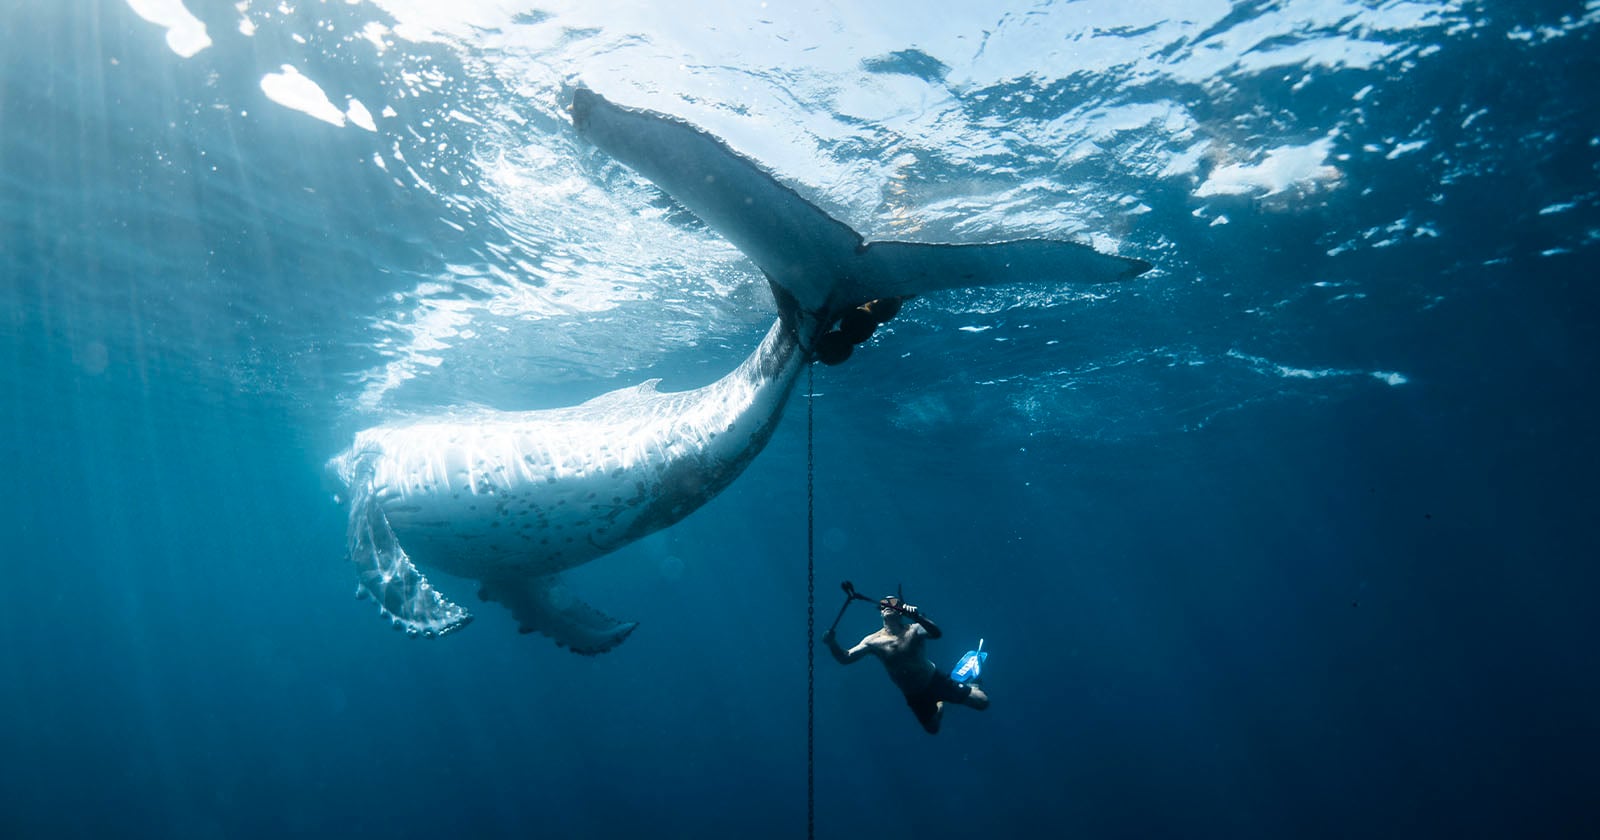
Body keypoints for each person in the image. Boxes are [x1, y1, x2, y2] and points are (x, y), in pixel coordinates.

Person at [823, 594, 989, 734]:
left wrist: (918, 617)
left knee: (982, 703)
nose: (887, 605)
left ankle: (973, 686)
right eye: (883, 604)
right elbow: (845, 658)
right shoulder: (872, 641)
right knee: (933, 729)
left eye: (893, 602)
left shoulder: (914, 629)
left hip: (934, 680)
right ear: (880, 611)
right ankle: (941, 703)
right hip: (914, 695)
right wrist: (832, 644)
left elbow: (936, 633)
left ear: (900, 609)